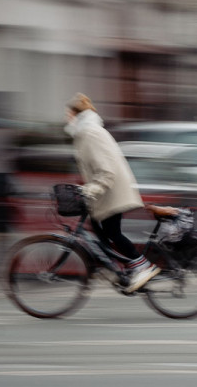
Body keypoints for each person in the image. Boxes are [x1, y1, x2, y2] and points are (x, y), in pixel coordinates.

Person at [64, 93, 160, 293]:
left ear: (76, 114)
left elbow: (106, 171)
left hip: (111, 190)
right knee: (99, 229)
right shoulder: (87, 132)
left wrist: (89, 190)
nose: (66, 117)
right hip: (108, 191)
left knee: (112, 232)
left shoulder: (89, 133)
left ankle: (141, 266)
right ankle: (114, 270)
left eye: (68, 113)